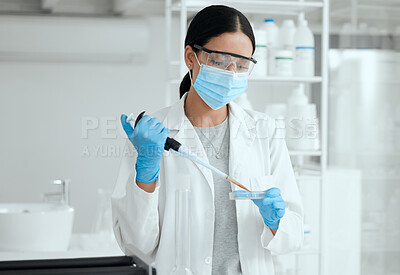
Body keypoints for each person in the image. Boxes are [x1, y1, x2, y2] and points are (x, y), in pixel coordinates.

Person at [112, 5, 303, 275]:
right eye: (219, 61)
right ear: (191, 57)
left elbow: (294, 236)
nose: (231, 74)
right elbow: (136, 248)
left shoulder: (265, 131)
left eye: (242, 65)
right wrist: (146, 174)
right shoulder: (152, 135)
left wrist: (277, 221)